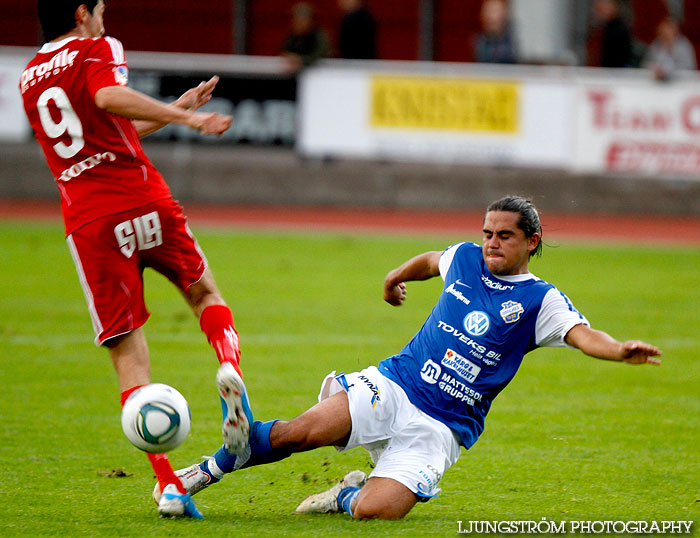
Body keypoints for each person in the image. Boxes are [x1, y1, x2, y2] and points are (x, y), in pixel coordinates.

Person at [154, 196, 661, 520]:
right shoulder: (464, 258)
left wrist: (619, 351)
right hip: (394, 386)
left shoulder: (540, 301)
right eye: (487, 232)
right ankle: (206, 470)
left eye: (504, 235)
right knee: (298, 434)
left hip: (444, 426)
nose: (491, 242)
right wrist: (395, 276)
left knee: (377, 512)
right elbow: (429, 261)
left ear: (532, 241)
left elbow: (582, 334)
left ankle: (347, 493)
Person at [20, 0, 252, 519]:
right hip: (144, 198)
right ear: (82, 12)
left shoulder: (31, 77)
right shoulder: (97, 46)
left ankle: (169, 485)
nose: (105, 16)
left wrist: (177, 107)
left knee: (128, 354)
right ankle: (228, 366)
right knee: (204, 293)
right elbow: (107, 95)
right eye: (101, 7)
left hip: (90, 222)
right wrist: (183, 118)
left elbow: (95, 139)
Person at [642, 16, 697, 80]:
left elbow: (689, 67)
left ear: (676, 30)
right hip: (657, 82)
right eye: (663, 29)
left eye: (669, 29)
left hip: (681, 82)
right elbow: (645, 63)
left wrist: (667, 72)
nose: (665, 32)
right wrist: (653, 68)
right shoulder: (657, 43)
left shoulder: (684, 45)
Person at [281, 2, 330, 72]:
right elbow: (286, 51)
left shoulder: (319, 36)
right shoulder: (293, 36)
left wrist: (300, 60)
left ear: (309, 20)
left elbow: (320, 55)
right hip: (294, 73)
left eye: (302, 21)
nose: (298, 24)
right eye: (296, 20)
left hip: (317, 73)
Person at [473, 0, 518, 64]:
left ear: (504, 14)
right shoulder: (478, 41)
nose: (491, 17)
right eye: (488, 11)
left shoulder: (515, 42)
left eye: (495, 11)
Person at [592, 0, 633, 67]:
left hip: (617, 71)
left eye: (605, 6)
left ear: (614, 7)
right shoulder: (606, 27)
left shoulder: (620, 29)